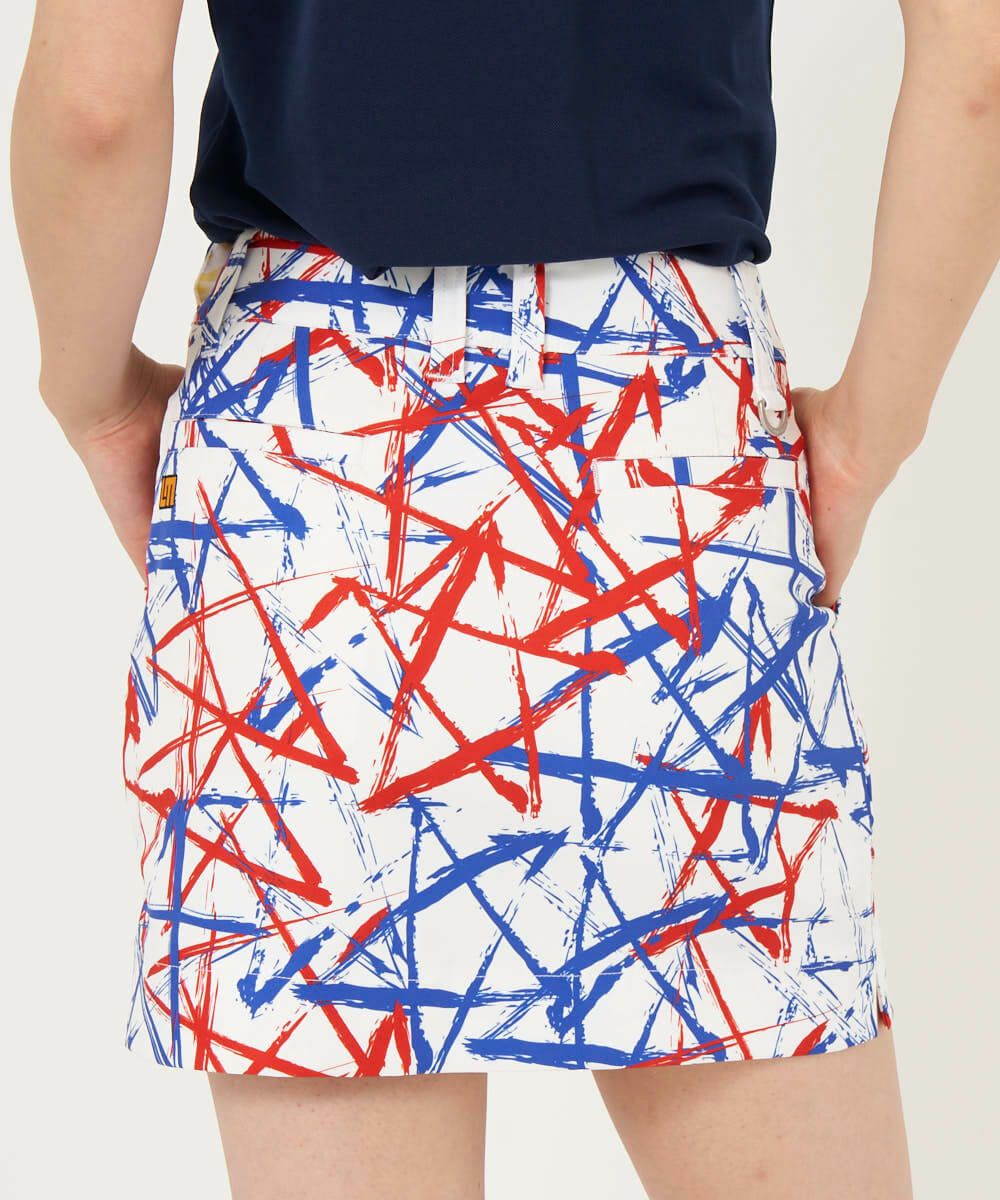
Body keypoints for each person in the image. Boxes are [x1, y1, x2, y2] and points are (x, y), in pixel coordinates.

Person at [11, 2, 999, 1197]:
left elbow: (96, 105)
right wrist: (866, 436)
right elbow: (976, 62)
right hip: (653, 425)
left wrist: (96, 398)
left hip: (309, 426)